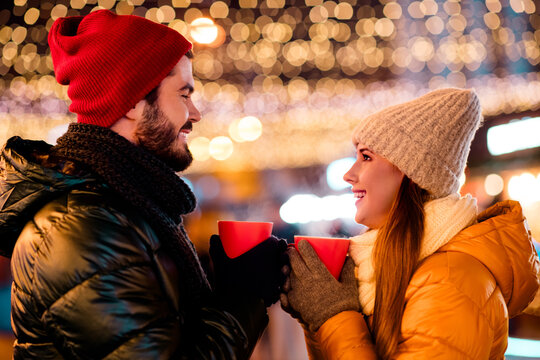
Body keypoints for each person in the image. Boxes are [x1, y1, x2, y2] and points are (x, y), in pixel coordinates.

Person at [0, 10, 287, 359]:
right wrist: (243, 296)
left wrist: (224, 285)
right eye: (184, 95)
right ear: (133, 101)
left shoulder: (130, 208)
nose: (195, 113)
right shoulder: (83, 227)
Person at [280, 88, 540, 359]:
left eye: (366, 157)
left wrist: (333, 316)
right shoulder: (381, 265)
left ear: (412, 173)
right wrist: (315, 318)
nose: (348, 174)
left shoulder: (451, 281)